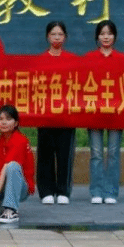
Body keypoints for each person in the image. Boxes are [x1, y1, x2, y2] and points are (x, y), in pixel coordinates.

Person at [83, 20, 124, 205]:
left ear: (115, 36)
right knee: (96, 154)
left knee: (114, 153)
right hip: (94, 112)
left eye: (109, 33)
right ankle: (96, 191)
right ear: (97, 37)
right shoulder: (89, 58)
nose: (106, 37)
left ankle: (111, 192)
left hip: (116, 113)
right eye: (102, 34)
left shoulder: (122, 59)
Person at [37, 21, 77, 205]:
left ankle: (63, 191)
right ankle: (46, 190)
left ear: (65, 37)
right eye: (53, 34)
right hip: (45, 115)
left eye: (60, 34)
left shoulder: (73, 59)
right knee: (45, 153)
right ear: (47, 37)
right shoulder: (40, 60)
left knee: (64, 154)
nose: (57, 38)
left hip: (66, 115)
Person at [0, 105, 35, 224]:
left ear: (15, 123)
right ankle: (1, 205)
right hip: (2, 184)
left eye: (8, 119)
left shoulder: (19, 140)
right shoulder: (1, 140)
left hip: (21, 187)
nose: (4, 122)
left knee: (12, 166)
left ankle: (11, 210)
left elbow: (6, 167)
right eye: (0, 119)